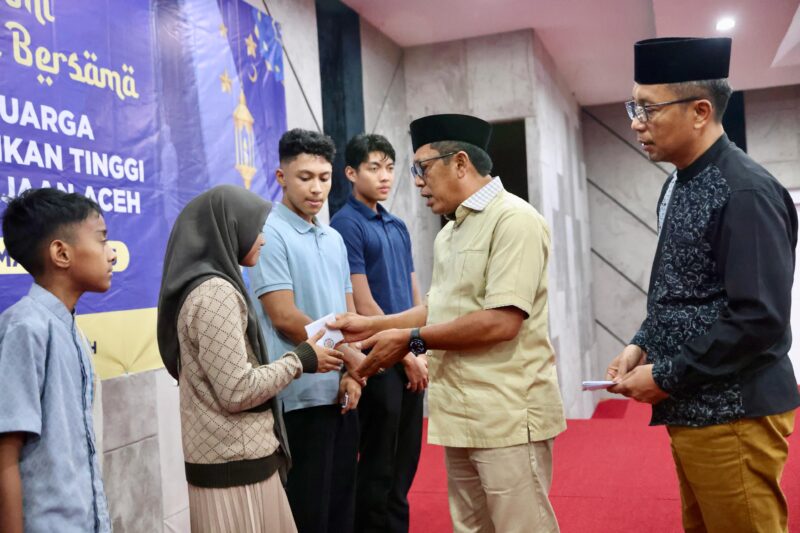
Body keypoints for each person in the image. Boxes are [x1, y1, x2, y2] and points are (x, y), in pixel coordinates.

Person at [331, 114, 566, 533]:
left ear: (460, 163)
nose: (417, 182)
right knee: (471, 528)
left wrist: (410, 341)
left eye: (421, 168)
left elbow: (501, 322)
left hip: (506, 412)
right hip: (459, 412)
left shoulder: (514, 220)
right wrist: (372, 326)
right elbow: (437, 309)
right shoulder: (450, 231)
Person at [605, 37, 799, 532]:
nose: (635, 122)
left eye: (647, 108)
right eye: (634, 106)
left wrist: (667, 375)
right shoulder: (679, 181)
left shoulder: (745, 191)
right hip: (695, 405)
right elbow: (680, 286)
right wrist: (641, 344)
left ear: (700, 111)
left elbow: (758, 319)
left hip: (733, 410)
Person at [156, 185, 345, 533]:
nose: (263, 239)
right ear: (230, 229)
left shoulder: (212, 287)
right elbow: (237, 390)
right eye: (256, 228)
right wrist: (301, 359)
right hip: (234, 468)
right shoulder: (215, 293)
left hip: (238, 461)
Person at [248, 129, 365, 533]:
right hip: (297, 396)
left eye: (324, 177)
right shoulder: (269, 233)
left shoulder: (333, 238)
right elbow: (283, 315)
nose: (317, 188)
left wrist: (352, 372)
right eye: (305, 177)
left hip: (341, 394)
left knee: (341, 511)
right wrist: (350, 357)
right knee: (307, 514)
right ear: (281, 177)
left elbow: (350, 317)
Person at [0, 188, 113, 533]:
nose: (111, 254)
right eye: (101, 240)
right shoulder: (26, 327)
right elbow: (5, 451)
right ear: (61, 253)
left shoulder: (69, 328)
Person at [330, 133, 427, 533]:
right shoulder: (345, 224)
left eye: (389, 167)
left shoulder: (397, 224)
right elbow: (365, 304)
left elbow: (416, 294)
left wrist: (419, 347)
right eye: (374, 168)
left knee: (405, 461)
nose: (384, 176)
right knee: (378, 464)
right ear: (351, 173)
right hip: (379, 359)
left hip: (409, 355)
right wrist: (404, 353)